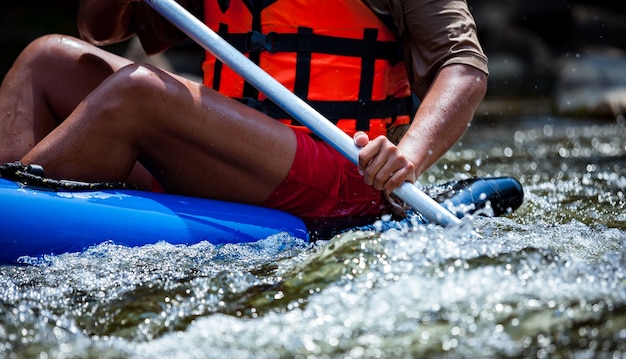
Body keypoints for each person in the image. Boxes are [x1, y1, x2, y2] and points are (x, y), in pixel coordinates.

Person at [0, 0, 488, 227]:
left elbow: (464, 66)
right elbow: (99, 29)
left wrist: (408, 158)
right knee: (47, 60)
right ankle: (21, 195)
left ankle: (21, 212)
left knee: (140, 92)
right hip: (233, 155)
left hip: (346, 169)